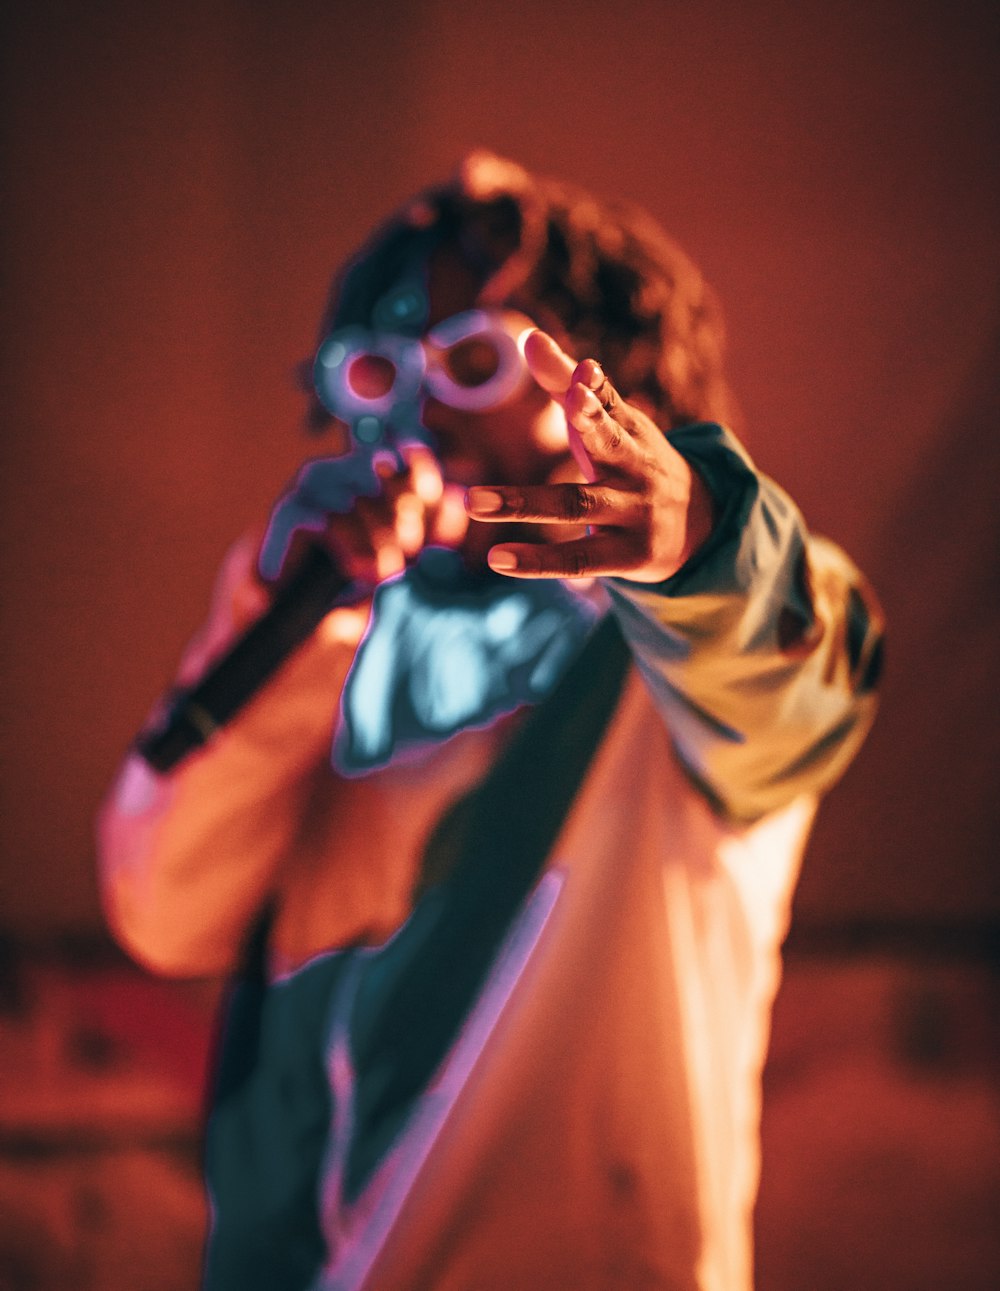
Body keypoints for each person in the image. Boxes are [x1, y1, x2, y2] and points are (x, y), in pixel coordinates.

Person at [96, 151, 883, 1291]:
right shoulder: (333, 653)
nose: (413, 408)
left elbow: (810, 673)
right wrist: (271, 617)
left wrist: (701, 538)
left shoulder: (669, 664)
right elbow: (162, 910)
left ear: (610, 379)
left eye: (470, 358)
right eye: (376, 369)